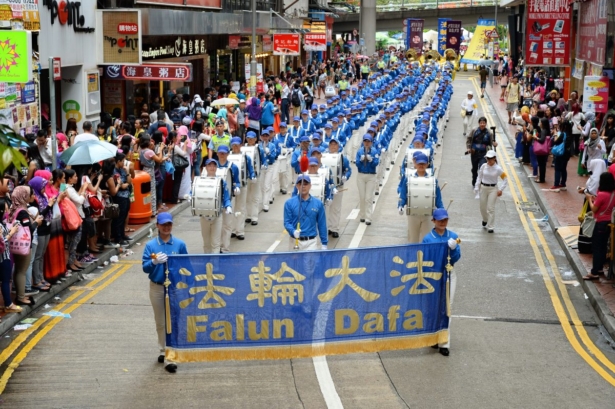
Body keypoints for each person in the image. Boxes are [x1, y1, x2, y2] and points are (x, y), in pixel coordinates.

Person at [142, 212, 188, 373]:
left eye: (169, 224)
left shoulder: (180, 244)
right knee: (161, 322)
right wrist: (154, 262)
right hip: (157, 287)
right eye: (163, 225)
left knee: (173, 321)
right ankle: (163, 349)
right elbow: (145, 268)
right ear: (158, 226)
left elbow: (186, 266)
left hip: (174, 289)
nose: (166, 227)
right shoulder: (151, 246)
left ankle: (170, 356)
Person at [422, 208, 461, 357]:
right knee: (434, 308)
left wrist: (454, 249)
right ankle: (434, 337)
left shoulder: (453, 236)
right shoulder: (428, 238)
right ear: (433, 221)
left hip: (449, 275)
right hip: (433, 276)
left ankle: (444, 342)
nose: (443, 222)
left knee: (447, 308)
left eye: (445, 219)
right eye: (440, 220)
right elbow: (425, 259)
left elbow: (456, 258)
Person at [9, 186, 43, 306]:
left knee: (18, 269)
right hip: (24, 245)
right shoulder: (22, 212)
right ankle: (21, 297)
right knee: (21, 271)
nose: (31, 196)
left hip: (15, 244)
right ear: (24, 196)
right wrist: (37, 223)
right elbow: (29, 228)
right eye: (30, 194)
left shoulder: (14, 209)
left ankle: (19, 294)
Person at [398, 152, 444, 242]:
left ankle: (426, 256)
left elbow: (438, 198)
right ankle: (413, 256)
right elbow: (403, 194)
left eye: (423, 163)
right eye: (419, 163)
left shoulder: (433, 180)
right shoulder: (408, 179)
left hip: (428, 215)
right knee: (413, 239)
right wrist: (400, 206)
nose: (421, 165)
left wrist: (442, 211)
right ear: (415, 164)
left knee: (427, 240)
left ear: (427, 164)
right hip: (413, 214)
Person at [583, 173, 615, 281]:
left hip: (600, 222)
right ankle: (600, 268)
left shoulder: (602, 194)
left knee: (596, 247)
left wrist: (589, 199)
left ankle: (594, 272)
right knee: (603, 246)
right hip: (608, 222)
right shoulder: (613, 194)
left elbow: (594, 209)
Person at [283, 175, 328, 251]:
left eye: (306, 184)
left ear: (310, 186)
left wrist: (324, 243)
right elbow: (287, 222)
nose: (303, 186)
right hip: (295, 241)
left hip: (311, 242)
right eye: (300, 184)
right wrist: (293, 231)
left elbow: (322, 224)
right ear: (297, 186)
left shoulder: (318, 203)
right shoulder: (289, 203)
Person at [199, 159, 232, 254]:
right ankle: (207, 265)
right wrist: (189, 196)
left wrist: (228, 206)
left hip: (217, 215)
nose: (212, 168)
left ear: (217, 168)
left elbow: (226, 196)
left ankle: (215, 266)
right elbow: (194, 192)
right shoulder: (201, 180)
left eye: (214, 166)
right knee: (206, 243)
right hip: (204, 215)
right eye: (209, 165)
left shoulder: (221, 181)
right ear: (206, 167)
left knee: (216, 243)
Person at [474, 150, 508, 233]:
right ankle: (485, 219)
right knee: (482, 207)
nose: (488, 160)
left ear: (494, 158)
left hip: (493, 189)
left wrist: (501, 189)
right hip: (483, 188)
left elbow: (505, 179)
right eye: (487, 158)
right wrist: (476, 187)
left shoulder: (498, 169)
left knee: (490, 208)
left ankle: (491, 226)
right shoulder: (483, 166)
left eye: (490, 159)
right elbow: (479, 176)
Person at [326, 139, 351, 238]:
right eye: (331, 144)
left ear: (338, 146)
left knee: (336, 208)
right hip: (327, 187)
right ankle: (328, 227)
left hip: (338, 186)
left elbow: (348, 170)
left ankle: (335, 228)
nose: (333, 146)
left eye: (335, 144)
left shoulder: (343, 158)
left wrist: (346, 176)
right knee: (327, 207)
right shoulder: (325, 157)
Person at [355, 134, 379, 226]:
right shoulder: (359, 151)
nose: (367, 143)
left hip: (371, 176)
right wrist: (360, 160)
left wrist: (371, 160)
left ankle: (368, 217)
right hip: (361, 175)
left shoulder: (374, 151)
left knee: (368, 198)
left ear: (371, 142)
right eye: (365, 141)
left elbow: (376, 163)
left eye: (368, 141)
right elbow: (357, 164)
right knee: (362, 197)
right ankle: (362, 215)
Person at [466, 117, 497, 186]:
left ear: (486, 124)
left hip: (483, 154)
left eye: (484, 123)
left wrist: (494, 143)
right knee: (474, 169)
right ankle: (474, 182)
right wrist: (468, 148)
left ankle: (480, 182)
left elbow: (492, 142)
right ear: (479, 123)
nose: (482, 124)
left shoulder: (489, 133)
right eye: (481, 123)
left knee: (482, 168)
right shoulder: (474, 131)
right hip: (474, 153)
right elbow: (469, 139)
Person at [551, 120, 573, 191]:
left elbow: (556, 142)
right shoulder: (570, 134)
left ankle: (556, 184)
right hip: (567, 154)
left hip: (561, 153)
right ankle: (563, 183)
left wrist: (555, 135)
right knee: (563, 168)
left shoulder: (563, 134)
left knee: (557, 168)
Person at [532, 117, 551, 184]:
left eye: (541, 122)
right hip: (545, 150)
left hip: (541, 150)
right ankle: (542, 178)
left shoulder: (543, 131)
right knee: (543, 164)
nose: (540, 123)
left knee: (541, 165)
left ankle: (541, 179)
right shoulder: (547, 131)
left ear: (543, 124)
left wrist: (536, 137)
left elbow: (542, 140)